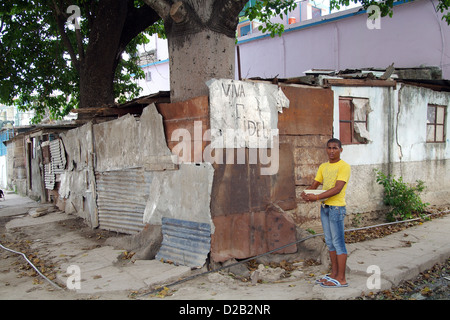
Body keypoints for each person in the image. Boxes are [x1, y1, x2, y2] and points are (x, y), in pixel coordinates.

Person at [301, 138, 351, 288]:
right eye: (329, 148)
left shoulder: (344, 167)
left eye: (335, 148)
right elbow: (316, 184)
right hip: (325, 208)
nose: (331, 151)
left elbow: (337, 189)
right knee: (330, 242)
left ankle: (341, 278)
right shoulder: (323, 166)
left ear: (341, 150)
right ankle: (334, 274)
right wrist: (306, 193)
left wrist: (315, 197)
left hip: (336, 208)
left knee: (338, 243)